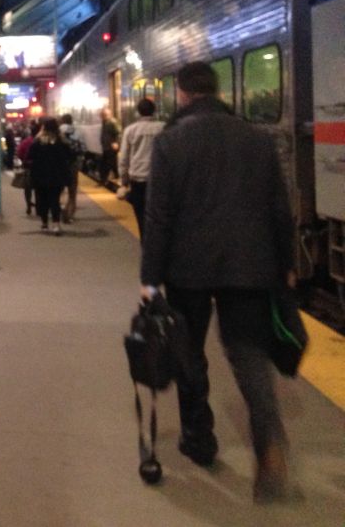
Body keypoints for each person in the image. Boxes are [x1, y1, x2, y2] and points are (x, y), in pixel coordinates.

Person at [140, 61, 296, 502]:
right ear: (218, 90)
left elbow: (159, 217)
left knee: (190, 354)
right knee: (250, 360)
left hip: (188, 269)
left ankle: (200, 439)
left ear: (183, 93)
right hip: (250, 265)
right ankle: (268, 448)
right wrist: (285, 263)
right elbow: (279, 210)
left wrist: (149, 279)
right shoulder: (256, 139)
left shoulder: (171, 141)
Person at [118, 98, 165, 239]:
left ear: (138, 112)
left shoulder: (130, 130)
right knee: (160, 217)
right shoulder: (163, 127)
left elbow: (124, 157)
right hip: (159, 180)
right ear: (154, 110)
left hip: (138, 180)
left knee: (141, 217)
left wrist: (123, 180)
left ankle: (146, 247)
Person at [27, 117, 73, 235]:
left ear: (44, 127)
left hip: (40, 176)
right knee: (55, 200)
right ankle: (56, 224)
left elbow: (29, 155)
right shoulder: (61, 140)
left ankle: (44, 224)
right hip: (57, 176)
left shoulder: (38, 141)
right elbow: (70, 156)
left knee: (42, 200)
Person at [59, 114, 86, 223]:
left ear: (62, 121)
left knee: (59, 190)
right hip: (73, 164)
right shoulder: (77, 131)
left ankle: (60, 208)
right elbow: (83, 148)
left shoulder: (56, 131)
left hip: (59, 165)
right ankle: (69, 212)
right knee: (72, 190)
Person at [15, 121, 39, 215]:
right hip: (39, 168)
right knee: (38, 189)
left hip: (28, 168)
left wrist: (24, 160)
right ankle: (38, 207)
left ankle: (28, 205)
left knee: (28, 189)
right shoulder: (40, 141)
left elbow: (19, 153)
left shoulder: (26, 141)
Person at [99, 107, 121, 185]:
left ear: (110, 114)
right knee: (111, 163)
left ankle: (103, 180)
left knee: (106, 164)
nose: (102, 116)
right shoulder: (105, 122)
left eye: (104, 114)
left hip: (111, 147)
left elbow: (118, 133)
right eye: (102, 115)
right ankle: (116, 177)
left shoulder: (112, 122)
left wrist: (116, 142)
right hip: (106, 146)